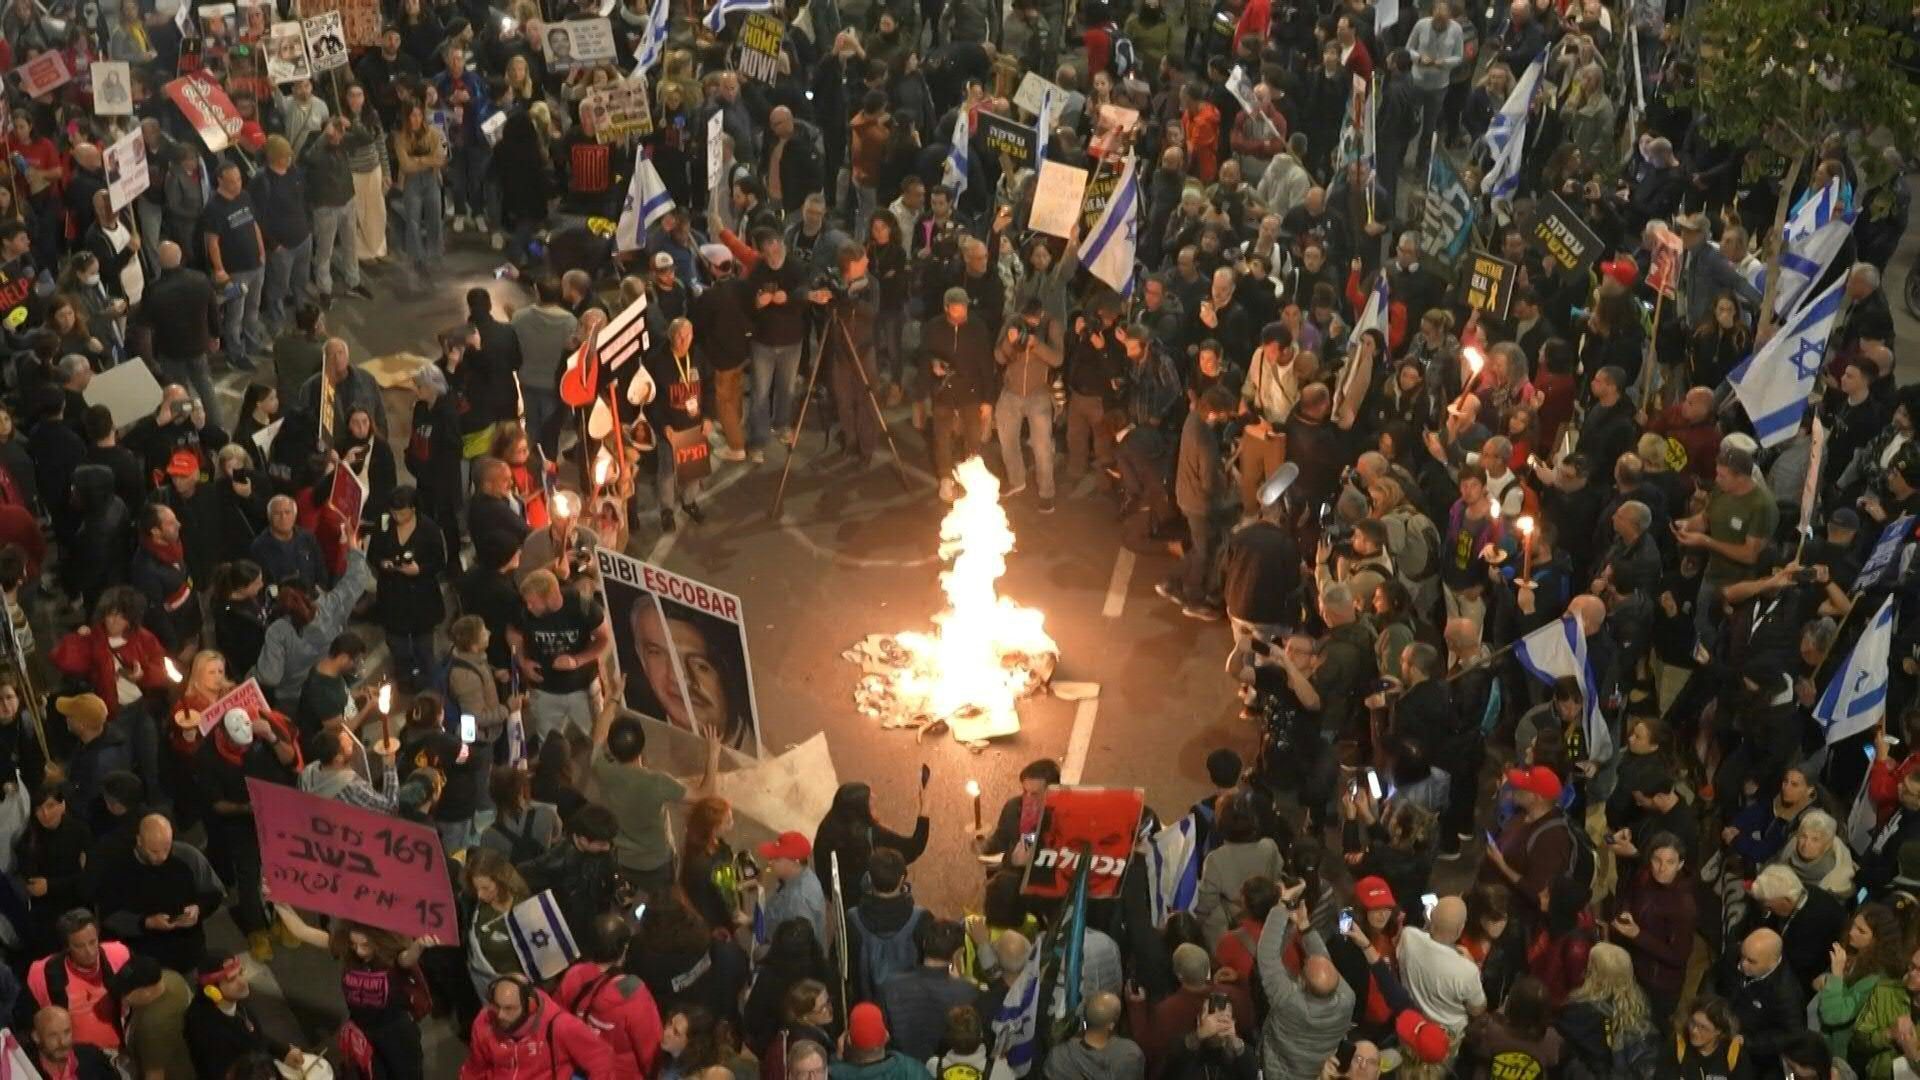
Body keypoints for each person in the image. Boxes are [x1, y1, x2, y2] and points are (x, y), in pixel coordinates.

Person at [462, 974, 616, 1078]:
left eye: (509, 1008)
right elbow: (475, 1067)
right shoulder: (484, 1021)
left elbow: (602, 1061)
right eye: (496, 1006)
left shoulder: (562, 1026)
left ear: (531, 1006)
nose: (500, 1015)